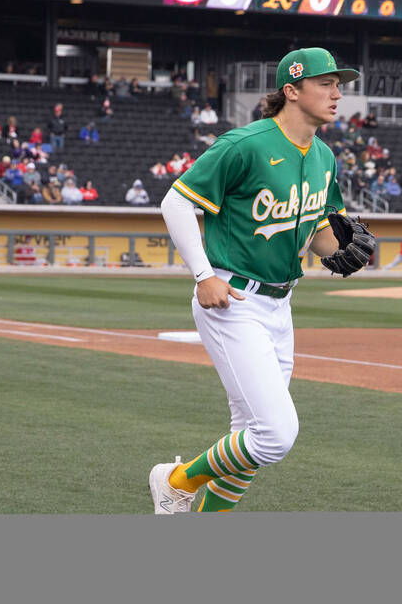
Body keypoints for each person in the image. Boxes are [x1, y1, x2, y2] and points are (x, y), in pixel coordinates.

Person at [150, 46, 371, 513]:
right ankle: (175, 480)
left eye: (339, 85)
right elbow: (174, 203)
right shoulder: (244, 145)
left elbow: (317, 231)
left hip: (280, 305)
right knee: (275, 435)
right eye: (325, 84)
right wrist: (202, 275)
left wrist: (345, 249)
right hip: (232, 297)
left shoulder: (325, 156)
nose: (337, 94)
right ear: (291, 90)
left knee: (249, 434)